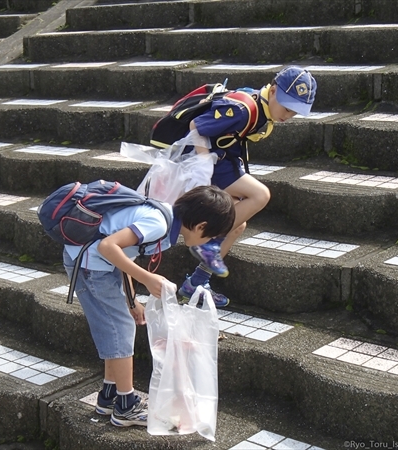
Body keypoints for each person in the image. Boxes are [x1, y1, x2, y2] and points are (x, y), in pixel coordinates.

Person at [63, 185, 236, 427]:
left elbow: (124, 253)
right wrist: (147, 278)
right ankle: (126, 406)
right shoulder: (159, 224)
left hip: (93, 264)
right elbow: (108, 247)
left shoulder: (164, 220)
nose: (208, 245)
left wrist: (132, 299)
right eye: (211, 238)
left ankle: (109, 396)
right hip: (91, 266)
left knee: (118, 329)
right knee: (120, 330)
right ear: (200, 226)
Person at [178, 66, 317, 306]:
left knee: (237, 224)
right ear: (272, 91)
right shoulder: (244, 109)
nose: (287, 115)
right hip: (208, 163)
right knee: (261, 195)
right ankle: (208, 242)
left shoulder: (260, 107)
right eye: (286, 107)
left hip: (221, 162)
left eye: (294, 112)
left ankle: (197, 283)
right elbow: (196, 125)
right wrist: (203, 162)